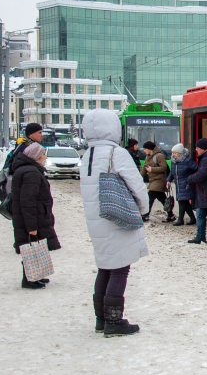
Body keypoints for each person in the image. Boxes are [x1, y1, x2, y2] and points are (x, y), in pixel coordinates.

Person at [79, 109, 149, 337]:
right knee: (120, 268)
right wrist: (143, 208)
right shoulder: (116, 153)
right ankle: (114, 320)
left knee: (105, 267)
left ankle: (101, 318)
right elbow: (136, 184)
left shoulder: (87, 155)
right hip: (116, 217)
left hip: (96, 218)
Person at [11, 143, 61, 289]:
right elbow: (28, 200)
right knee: (31, 247)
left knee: (34, 246)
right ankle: (29, 279)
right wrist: (31, 226)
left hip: (35, 215)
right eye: (44, 154)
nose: (45, 157)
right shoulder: (31, 172)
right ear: (37, 156)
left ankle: (35, 275)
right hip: (33, 217)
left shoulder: (28, 170)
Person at [140, 141, 174, 223]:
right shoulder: (147, 156)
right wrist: (138, 177)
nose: (144, 150)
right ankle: (171, 215)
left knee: (150, 197)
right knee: (162, 198)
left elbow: (164, 167)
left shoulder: (159, 156)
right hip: (153, 180)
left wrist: (152, 169)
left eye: (145, 149)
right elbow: (144, 168)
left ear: (149, 149)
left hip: (159, 180)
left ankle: (146, 214)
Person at [166, 143, 198, 227]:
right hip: (178, 184)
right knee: (185, 202)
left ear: (180, 153)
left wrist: (190, 178)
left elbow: (196, 168)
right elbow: (172, 172)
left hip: (186, 184)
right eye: (173, 153)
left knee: (182, 201)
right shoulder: (173, 161)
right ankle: (193, 218)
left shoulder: (187, 160)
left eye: (175, 153)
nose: (174, 154)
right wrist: (169, 180)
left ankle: (180, 220)